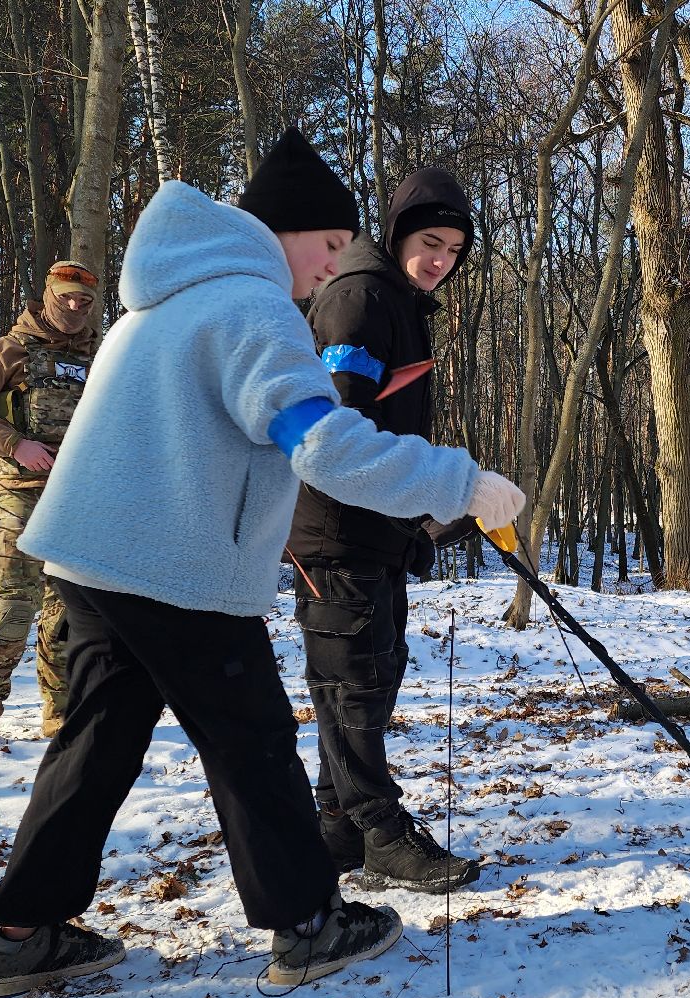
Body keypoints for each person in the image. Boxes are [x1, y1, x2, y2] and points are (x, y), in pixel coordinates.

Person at [0, 129, 526, 998]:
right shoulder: (251, 307)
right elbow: (322, 444)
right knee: (252, 740)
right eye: (328, 244)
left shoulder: (161, 301)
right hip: (173, 561)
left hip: (94, 556)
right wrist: (457, 482)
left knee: (97, 740)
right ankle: (308, 923)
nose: (333, 264)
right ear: (281, 231)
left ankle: (20, 933)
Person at [287, 166, 481, 894]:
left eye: (454, 250)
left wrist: (422, 512)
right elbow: (338, 435)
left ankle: (337, 827)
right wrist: (435, 484)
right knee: (354, 686)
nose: (441, 261)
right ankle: (382, 834)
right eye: (431, 243)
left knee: (367, 678)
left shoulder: (395, 300)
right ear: (399, 233)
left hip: (375, 526)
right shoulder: (360, 299)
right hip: (335, 527)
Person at [0, 260, 101, 751]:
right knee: (15, 605)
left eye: (84, 301)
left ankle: (61, 715)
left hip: (79, 499)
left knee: (67, 610)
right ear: (47, 296)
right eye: (66, 297)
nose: (74, 306)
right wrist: (15, 444)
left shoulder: (101, 358)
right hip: (21, 495)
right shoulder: (5, 351)